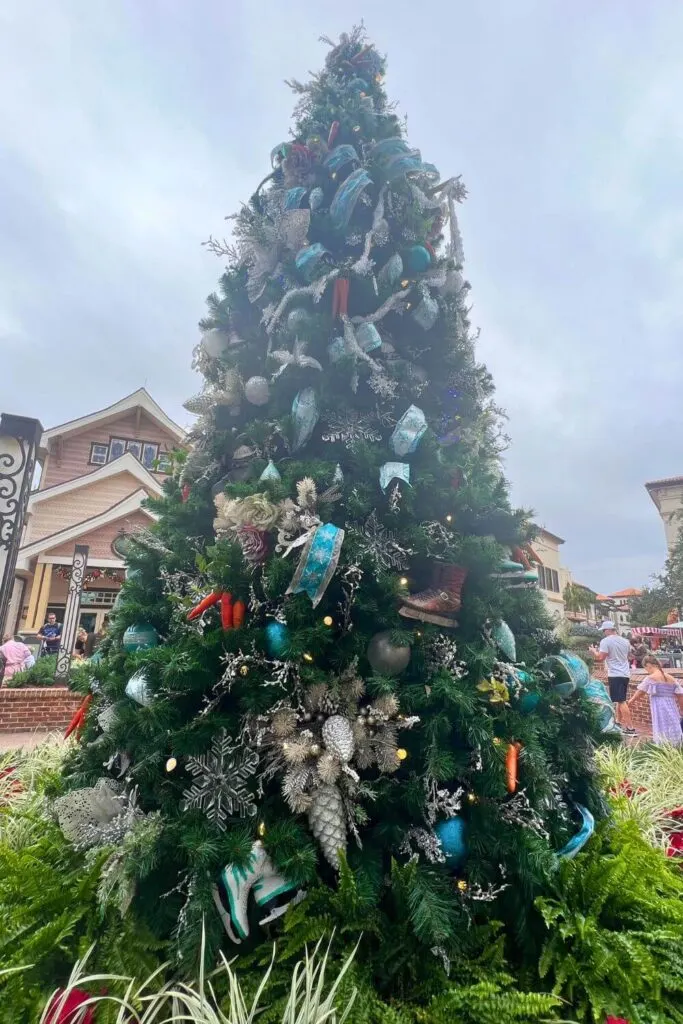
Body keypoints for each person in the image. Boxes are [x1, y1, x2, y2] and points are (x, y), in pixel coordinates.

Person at [589, 620, 636, 734]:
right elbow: (629, 656)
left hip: (615, 674)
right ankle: (618, 722)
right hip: (625, 673)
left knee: (621, 700)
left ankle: (630, 728)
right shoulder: (625, 641)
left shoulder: (605, 641)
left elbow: (600, 658)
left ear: (608, 630)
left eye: (604, 630)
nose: (604, 632)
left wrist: (593, 651)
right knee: (619, 700)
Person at [628, 655, 683, 746]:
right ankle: (676, 745)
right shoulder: (671, 678)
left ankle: (663, 746)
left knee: (661, 726)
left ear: (648, 665)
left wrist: (631, 701)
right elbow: (680, 695)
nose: (647, 671)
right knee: (673, 724)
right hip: (671, 707)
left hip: (659, 707)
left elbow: (641, 692)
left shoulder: (651, 678)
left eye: (646, 668)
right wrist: (681, 709)